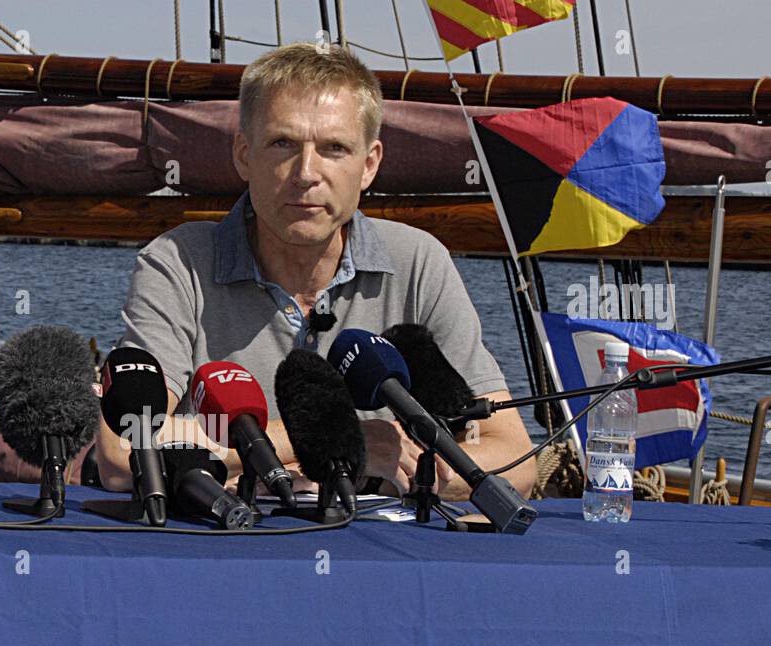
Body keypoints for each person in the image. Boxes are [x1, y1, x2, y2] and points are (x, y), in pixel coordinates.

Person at [96, 42, 535, 501]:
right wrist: (333, 444)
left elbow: (514, 459)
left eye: (334, 149)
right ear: (244, 154)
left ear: (369, 166)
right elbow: (123, 447)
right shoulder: (178, 263)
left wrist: (414, 468)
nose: (306, 173)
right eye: (283, 143)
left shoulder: (419, 261)